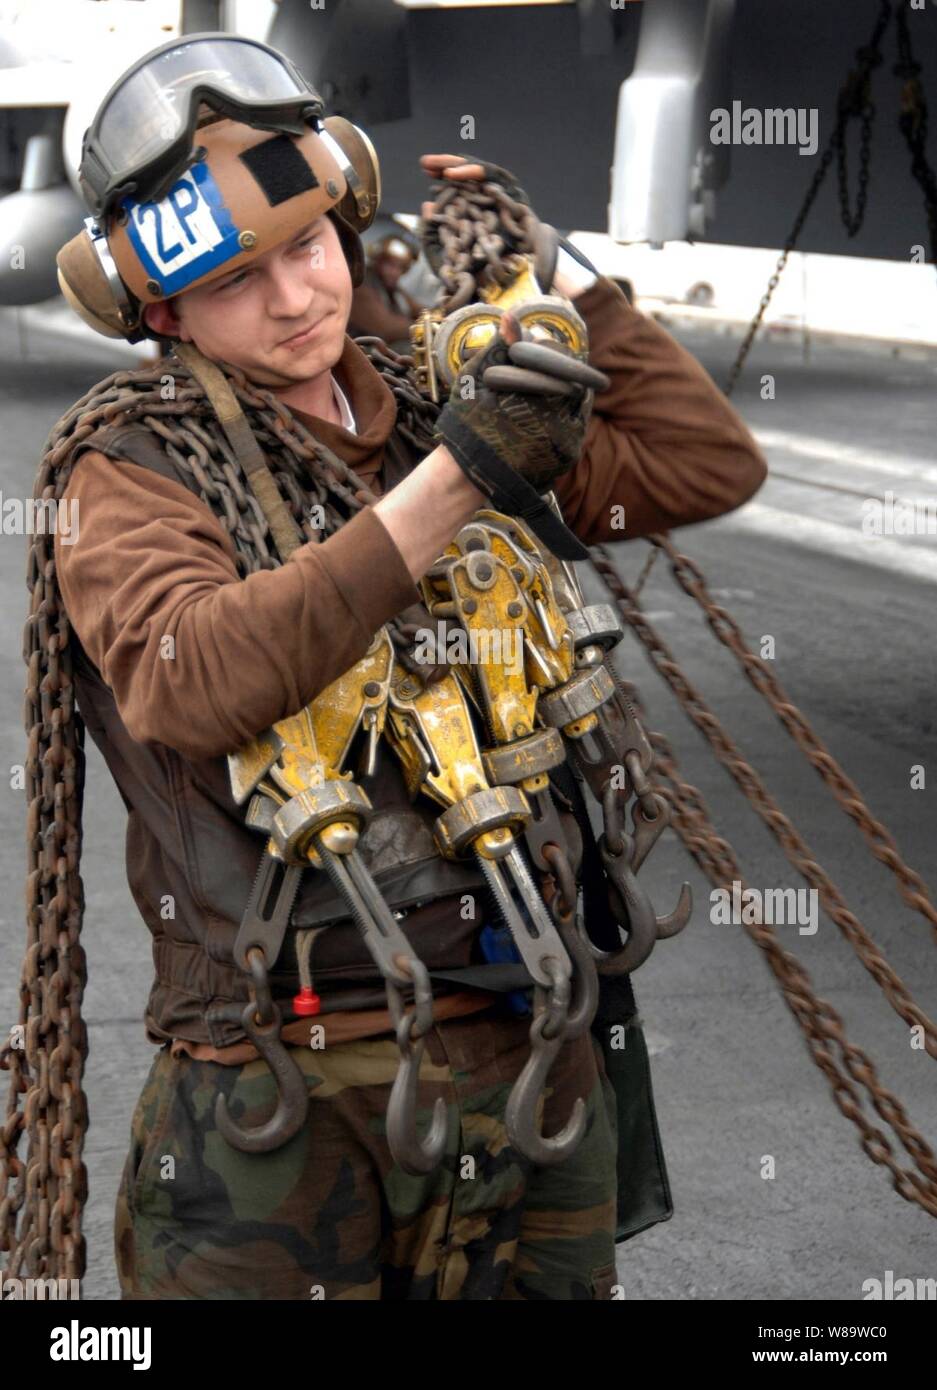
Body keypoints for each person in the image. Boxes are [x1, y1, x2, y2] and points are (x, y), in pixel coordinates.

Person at [25, 33, 767, 1301]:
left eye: (308, 246)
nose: (296, 296)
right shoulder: (127, 469)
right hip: (284, 1098)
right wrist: (454, 485)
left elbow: (707, 467)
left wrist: (557, 291)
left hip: (529, 1052)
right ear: (163, 311)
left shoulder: (442, 407)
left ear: (349, 226)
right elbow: (190, 676)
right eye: (237, 277)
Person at [348, 230, 426, 349]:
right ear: (378, 261)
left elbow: (419, 310)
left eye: (400, 267)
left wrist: (441, 313)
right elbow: (386, 328)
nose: (394, 272)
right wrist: (425, 327)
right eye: (390, 265)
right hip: (361, 354)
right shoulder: (361, 285)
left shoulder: (392, 288)